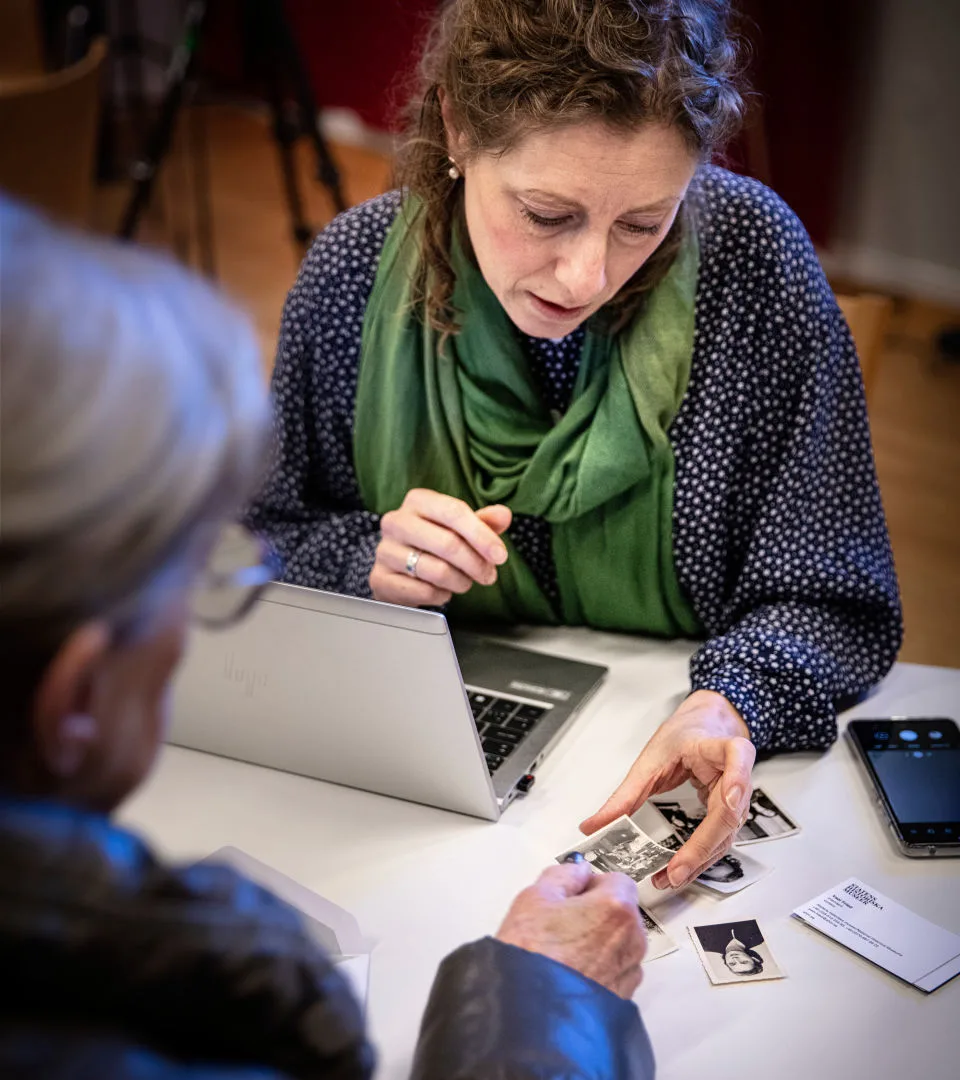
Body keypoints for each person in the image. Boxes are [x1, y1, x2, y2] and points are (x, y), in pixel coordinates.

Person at [246, 0, 902, 891]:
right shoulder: (352, 278)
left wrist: (731, 700)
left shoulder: (751, 263)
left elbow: (836, 594)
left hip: (655, 761)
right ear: (458, 127)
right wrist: (367, 557)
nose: (588, 275)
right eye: (548, 213)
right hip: (420, 803)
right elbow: (250, 546)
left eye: (643, 223)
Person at [0, 198, 653, 1079]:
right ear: (75, 697)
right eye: (205, 582)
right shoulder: (181, 1018)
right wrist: (541, 1009)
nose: (586, 275)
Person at [695, 923, 765, 977]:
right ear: (753, 959)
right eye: (744, 961)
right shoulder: (758, 938)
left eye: (732, 963)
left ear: (726, 962)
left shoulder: (705, 945)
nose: (735, 959)